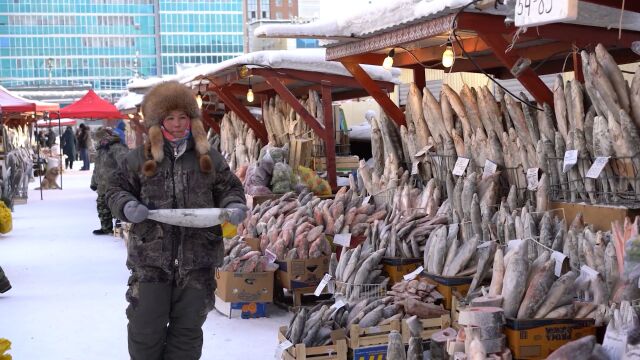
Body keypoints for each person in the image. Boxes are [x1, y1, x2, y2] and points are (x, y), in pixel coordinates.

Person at [105, 81, 248, 360]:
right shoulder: (139, 158)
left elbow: (230, 188)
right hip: (150, 262)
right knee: (145, 329)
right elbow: (114, 189)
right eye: (170, 117)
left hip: (198, 262)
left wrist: (234, 205)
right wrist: (126, 205)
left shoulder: (208, 158)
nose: (177, 123)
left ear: (192, 120)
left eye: (183, 116)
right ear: (158, 121)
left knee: (188, 332)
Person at [90, 127, 129, 235]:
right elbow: (96, 168)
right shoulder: (100, 150)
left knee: (116, 205)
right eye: (99, 140)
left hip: (115, 184)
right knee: (102, 207)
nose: (101, 142)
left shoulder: (117, 148)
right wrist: (93, 182)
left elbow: (125, 164)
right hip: (102, 185)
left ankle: (119, 226)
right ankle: (105, 227)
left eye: (102, 139)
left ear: (109, 137)